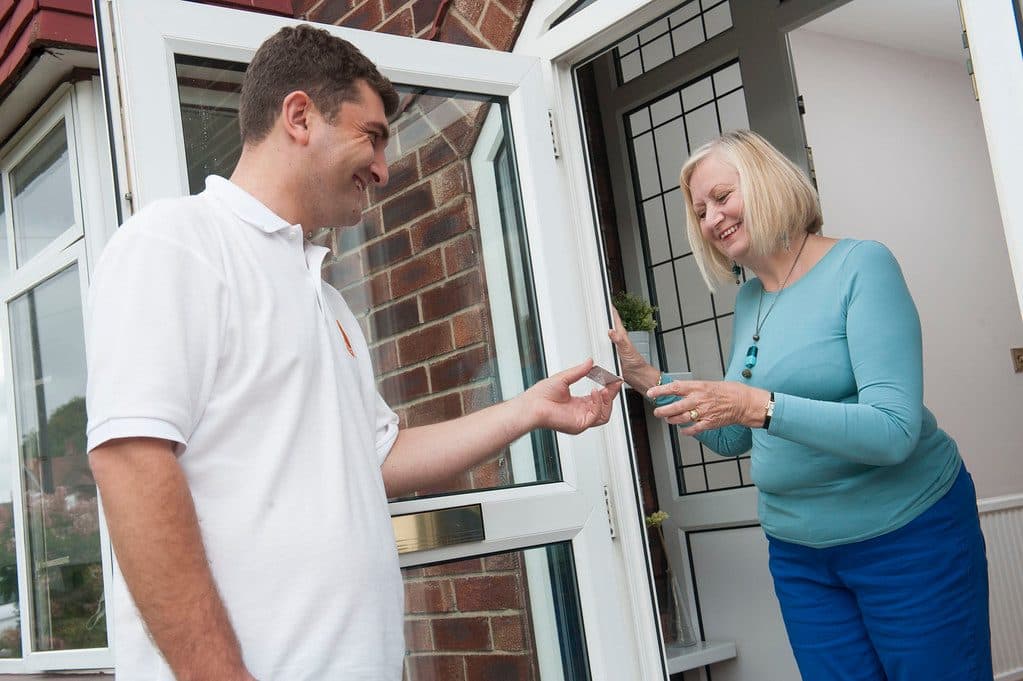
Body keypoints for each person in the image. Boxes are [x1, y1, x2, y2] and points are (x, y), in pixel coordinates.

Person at [85, 25, 620, 681]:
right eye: (372, 135)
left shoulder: (326, 300)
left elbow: (377, 456)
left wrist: (526, 412)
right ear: (300, 116)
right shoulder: (176, 244)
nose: (383, 167)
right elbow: (131, 463)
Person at [609, 130, 992, 680]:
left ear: (765, 182)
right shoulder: (751, 298)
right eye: (700, 211)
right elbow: (733, 436)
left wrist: (757, 405)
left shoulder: (862, 266)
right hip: (799, 555)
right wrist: (646, 378)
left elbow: (893, 431)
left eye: (722, 196)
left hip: (908, 539)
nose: (712, 219)